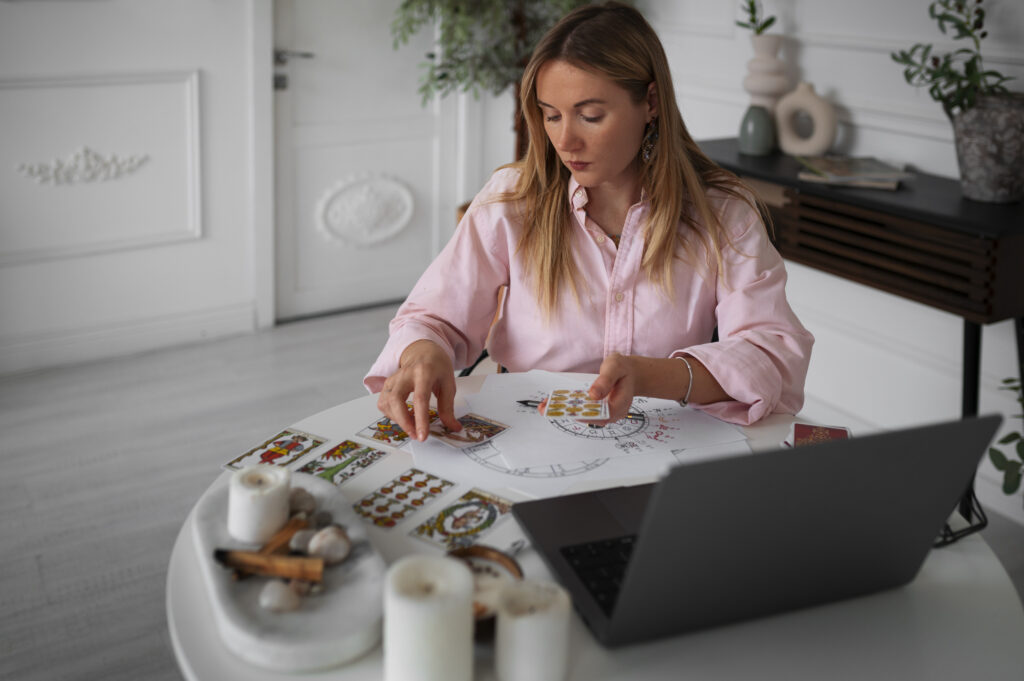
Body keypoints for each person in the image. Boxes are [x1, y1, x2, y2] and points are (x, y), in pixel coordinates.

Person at [365, 1, 813, 441]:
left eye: (590, 115)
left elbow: (774, 355)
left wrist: (652, 376)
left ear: (651, 102)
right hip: (526, 434)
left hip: (664, 440)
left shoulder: (723, 214)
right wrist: (424, 352)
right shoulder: (511, 200)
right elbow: (432, 317)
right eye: (551, 115)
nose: (565, 139)